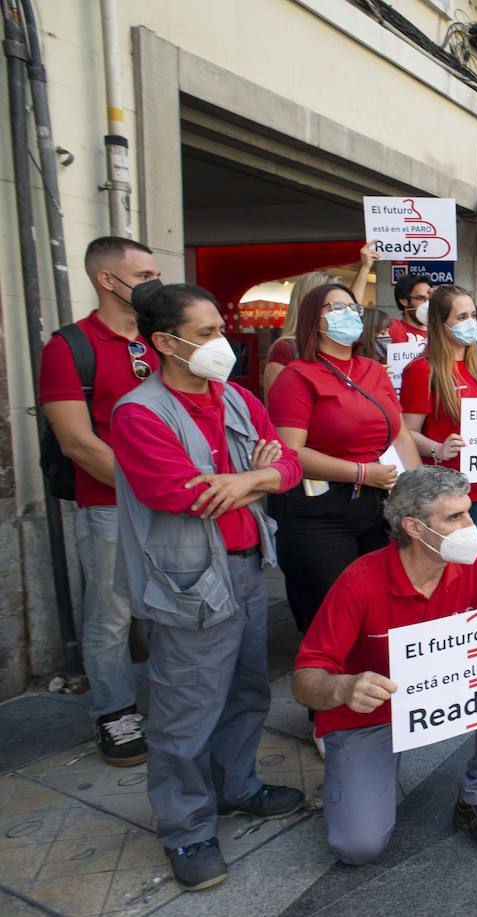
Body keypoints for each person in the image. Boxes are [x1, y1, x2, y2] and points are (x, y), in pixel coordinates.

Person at [111, 283, 304, 891]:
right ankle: (187, 828)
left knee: (247, 689)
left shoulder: (239, 399)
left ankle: (235, 786)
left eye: (220, 328)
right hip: (188, 579)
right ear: (165, 343)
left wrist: (253, 477)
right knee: (186, 709)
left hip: (246, 565)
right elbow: (187, 494)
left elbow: (291, 466)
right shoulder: (139, 412)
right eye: (205, 333)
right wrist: (261, 476)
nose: (221, 342)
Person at [293, 467, 477, 863]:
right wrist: (343, 688)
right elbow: (305, 679)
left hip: (447, 693)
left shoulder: (470, 564)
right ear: (414, 527)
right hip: (372, 714)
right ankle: (363, 776)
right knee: (358, 847)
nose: (470, 526)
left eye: (468, 513)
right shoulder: (358, 583)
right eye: (454, 517)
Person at [38, 237, 161, 767]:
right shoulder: (69, 347)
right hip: (109, 505)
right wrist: (156, 486)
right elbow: (78, 443)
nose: (155, 284)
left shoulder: (162, 339)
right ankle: (115, 714)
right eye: (145, 274)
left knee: (170, 609)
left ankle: (177, 700)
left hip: (171, 504)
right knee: (110, 616)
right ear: (109, 280)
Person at [268, 285, 422, 634]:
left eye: (354, 307)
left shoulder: (373, 370)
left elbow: (398, 433)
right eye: (336, 307)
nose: (349, 313)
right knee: (334, 617)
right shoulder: (297, 376)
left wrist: (419, 490)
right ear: (313, 319)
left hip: (376, 506)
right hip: (317, 513)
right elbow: (289, 451)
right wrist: (359, 473)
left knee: (380, 610)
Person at [399, 285, 477, 555]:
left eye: (472, 315)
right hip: (444, 495)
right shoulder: (423, 370)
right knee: (446, 571)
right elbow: (407, 432)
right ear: (440, 324)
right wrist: (438, 449)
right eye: (461, 317)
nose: (470, 323)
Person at [264, 248, 376, 394]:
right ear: (310, 305)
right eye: (335, 306)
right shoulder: (286, 349)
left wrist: (365, 268)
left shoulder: (338, 347)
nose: (347, 314)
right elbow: (278, 405)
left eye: (349, 308)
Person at [388, 273, 432, 345]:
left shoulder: (438, 333)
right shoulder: (390, 328)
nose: (427, 303)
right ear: (403, 301)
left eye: (430, 299)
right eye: (421, 298)